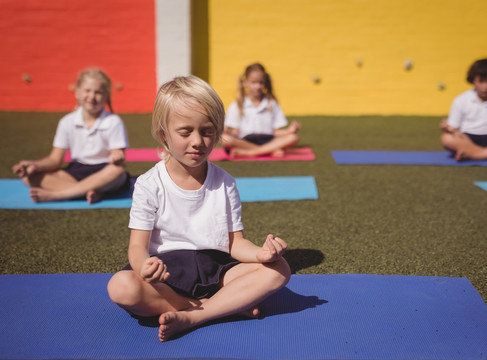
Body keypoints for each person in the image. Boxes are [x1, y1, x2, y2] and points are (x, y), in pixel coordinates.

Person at [106, 76, 291, 342]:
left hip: (216, 269)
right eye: (185, 132)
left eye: (206, 131)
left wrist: (262, 254)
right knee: (121, 287)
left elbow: (235, 244)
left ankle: (195, 316)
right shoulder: (148, 184)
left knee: (280, 268)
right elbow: (137, 247)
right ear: (163, 135)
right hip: (167, 274)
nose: (198, 141)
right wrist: (144, 267)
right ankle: (223, 306)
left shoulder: (225, 182)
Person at [12, 68, 129, 204]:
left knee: (118, 170)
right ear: (77, 92)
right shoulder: (67, 121)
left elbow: (117, 154)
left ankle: (58, 195)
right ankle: (92, 192)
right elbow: (55, 160)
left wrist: (117, 156)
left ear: (106, 96)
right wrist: (35, 165)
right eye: (87, 91)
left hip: (104, 170)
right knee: (28, 177)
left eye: (98, 92)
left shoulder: (114, 122)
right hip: (75, 172)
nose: (91, 96)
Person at [221, 62, 301, 157]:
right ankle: (269, 151)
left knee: (293, 137)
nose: (258, 86)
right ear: (245, 82)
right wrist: (227, 132)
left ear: (265, 83)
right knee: (225, 139)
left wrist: (289, 131)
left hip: (268, 140)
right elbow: (236, 132)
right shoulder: (236, 105)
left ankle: (250, 152)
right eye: (254, 83)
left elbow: (275, 132)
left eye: (261, 83)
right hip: (245, 141)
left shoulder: (271, 103)